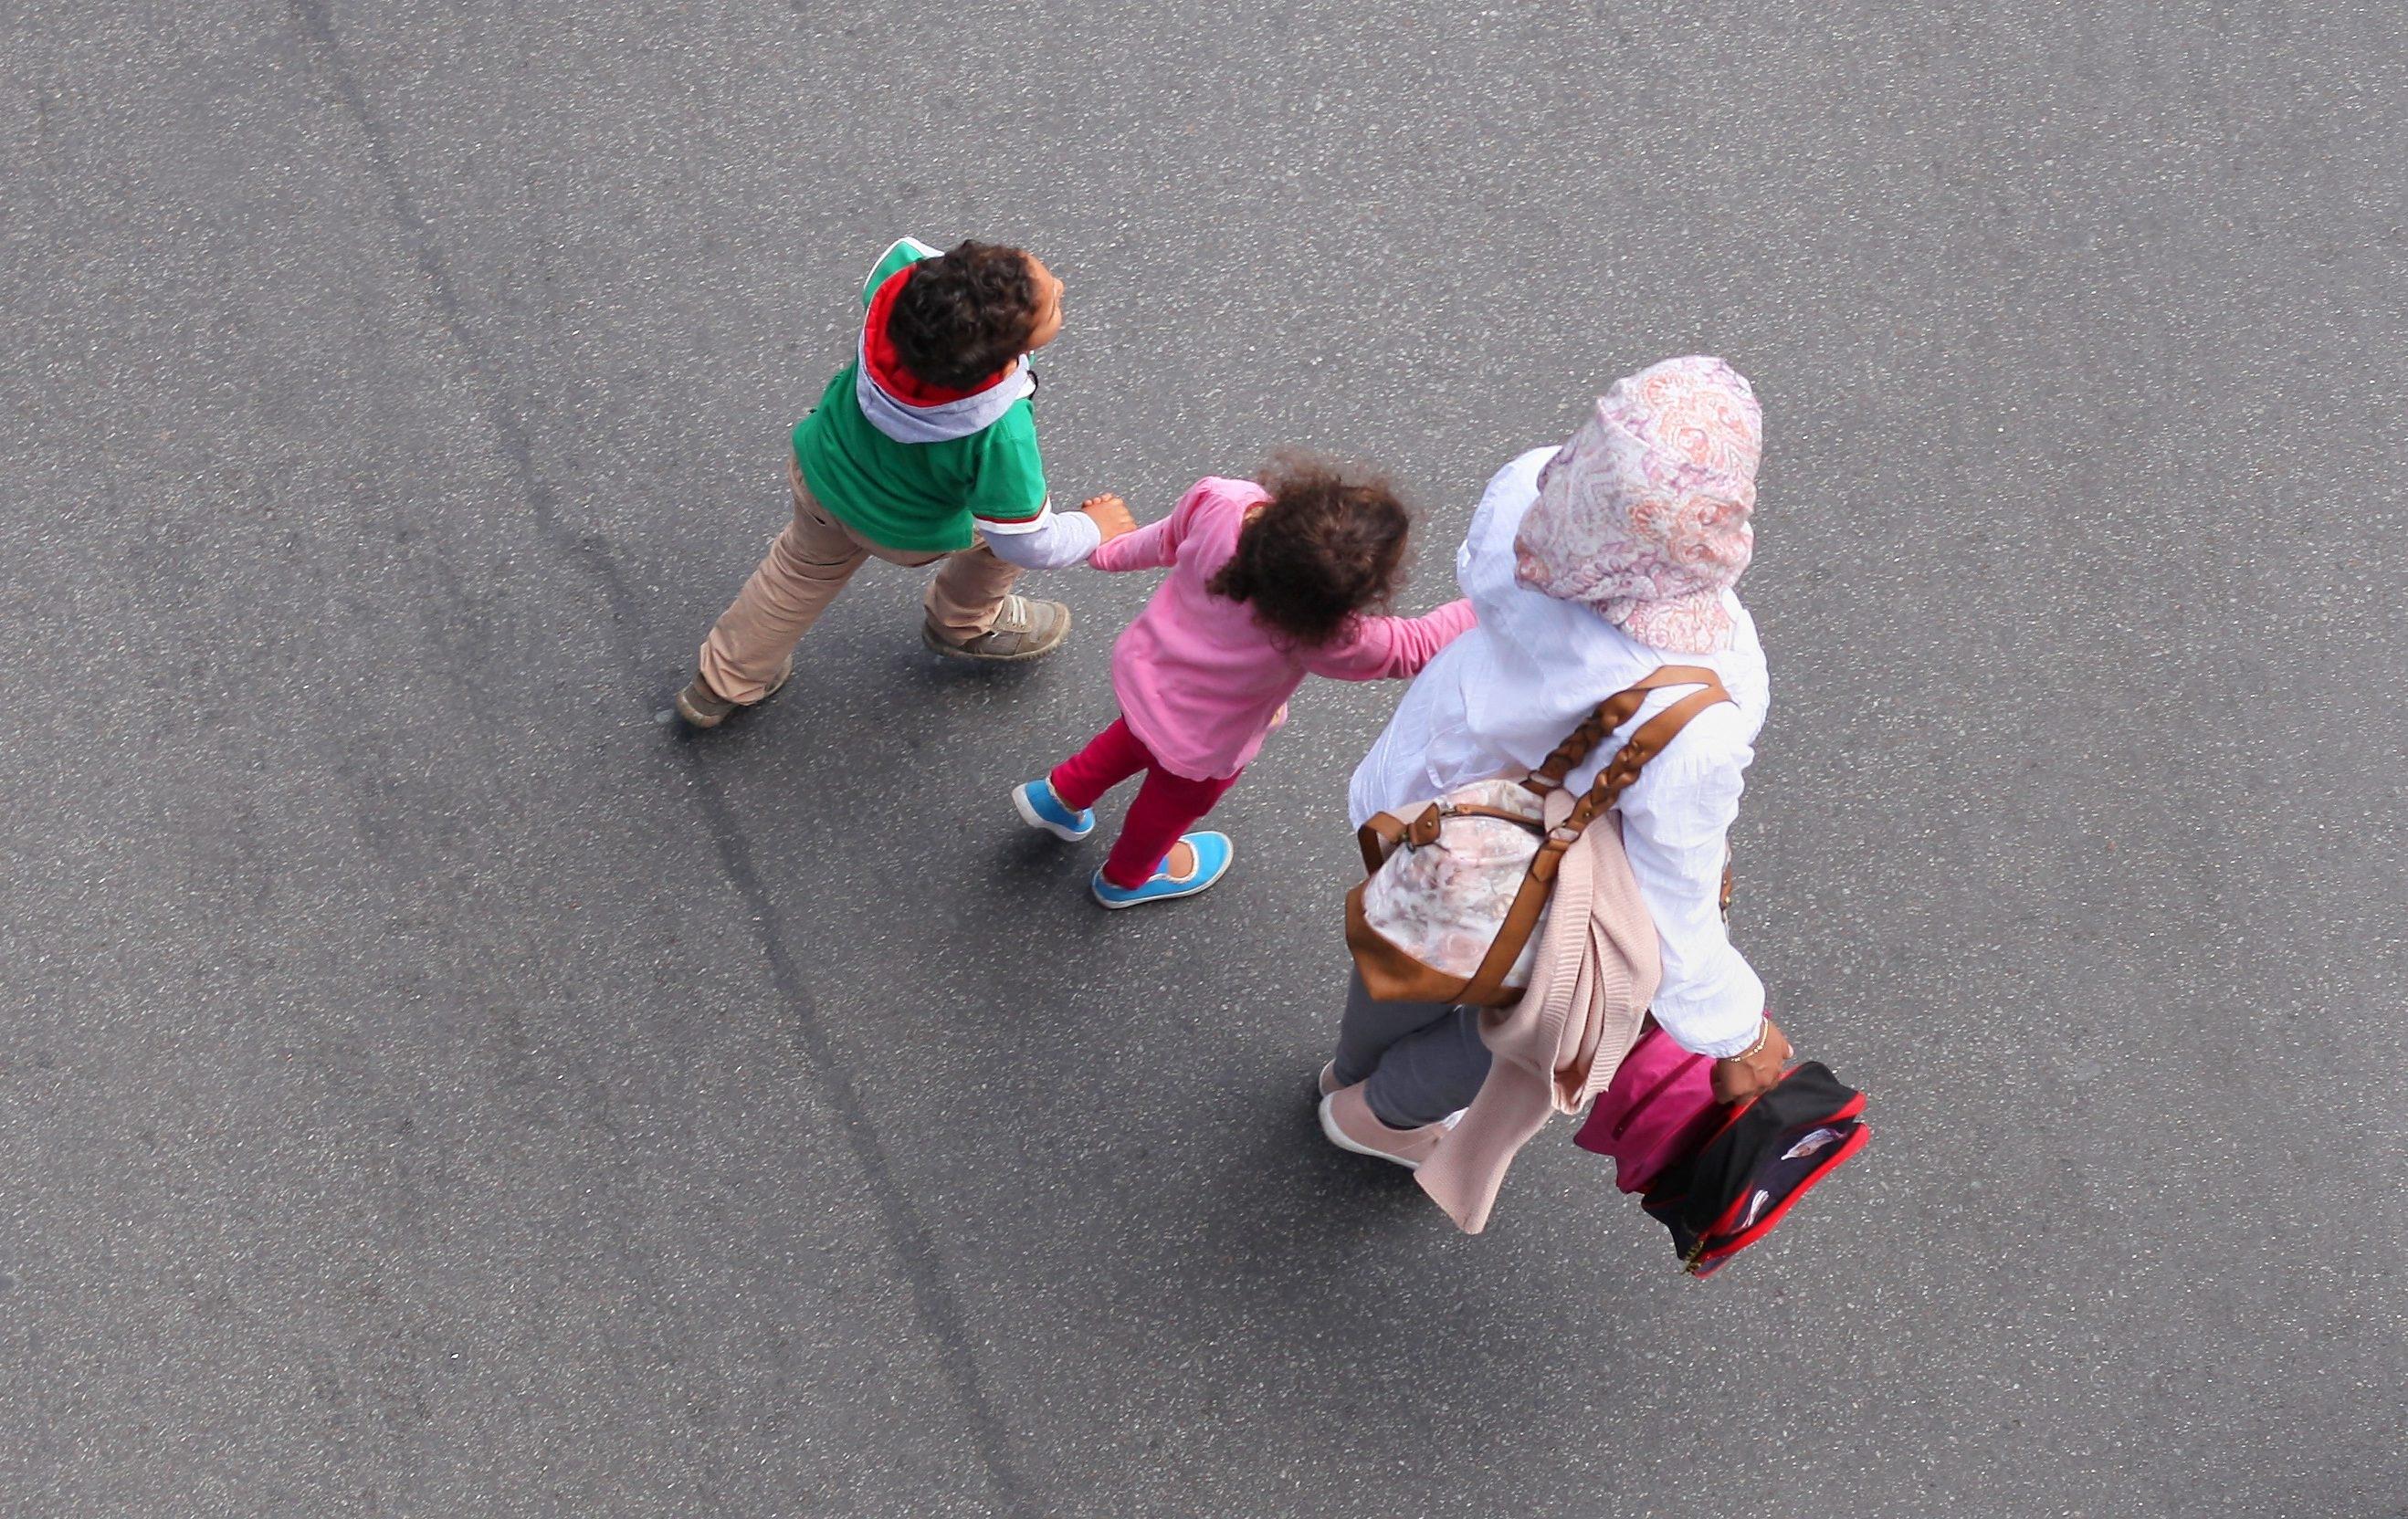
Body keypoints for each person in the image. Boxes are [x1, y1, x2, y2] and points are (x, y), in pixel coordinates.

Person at [1319, 356, 1793, 1170]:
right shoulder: (1695, 707)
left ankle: (1349, 1069)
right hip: (1525, 881)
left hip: (1422, 799)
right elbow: (1673, 889)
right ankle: (1376, 1117)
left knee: (1398, 945)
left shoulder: (1529, 494)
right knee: (1516, 1019)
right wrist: (1736, 1029)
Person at [676, 236, 1137, 728]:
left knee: (798, 573)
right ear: (1005, 353)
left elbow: (910, 255)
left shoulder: (898, 291)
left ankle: (722, 683)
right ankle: (965, 622)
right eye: (1052, 308)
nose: (1062, 287)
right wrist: (1092, 527)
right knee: (992, 540)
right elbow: (1027, 541)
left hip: (824, 473)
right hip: (904, 527)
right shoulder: (999, 433)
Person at [1010, 458, 1476, 908]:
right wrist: (1493, 603)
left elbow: (1162, 539)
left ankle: (1058, 796)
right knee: (1167, 807)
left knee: (1126, 743)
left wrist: (1108, 552)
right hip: (1203, 742)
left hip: (1144, 678)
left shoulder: (1223, 504)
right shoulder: (1322, 631)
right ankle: (1127, 878)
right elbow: (1413, 645)